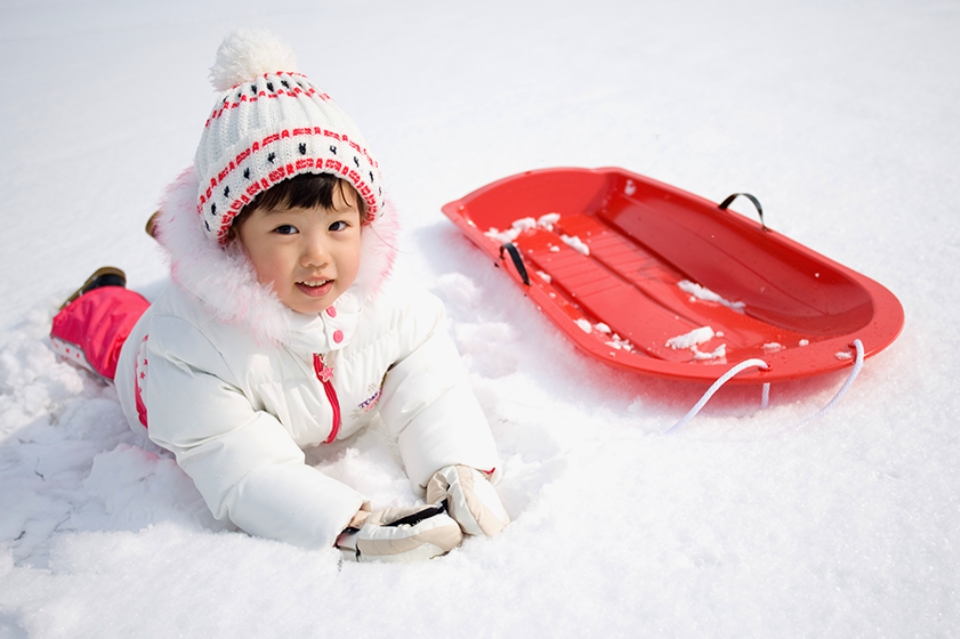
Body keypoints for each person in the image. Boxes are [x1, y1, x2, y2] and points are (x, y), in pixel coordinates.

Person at [49, 29, 509, 562]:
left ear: (366, 222)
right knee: (123, 331)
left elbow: (430, 383)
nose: (318, 256)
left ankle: (189, 231)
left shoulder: (388, 303)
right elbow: (239, 464)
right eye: (287, 230)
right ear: (232, 240)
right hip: (151, 374)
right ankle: (94, 299)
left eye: (338, 225)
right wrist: (347, 524)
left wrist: (457, 466)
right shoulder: (186, 346)